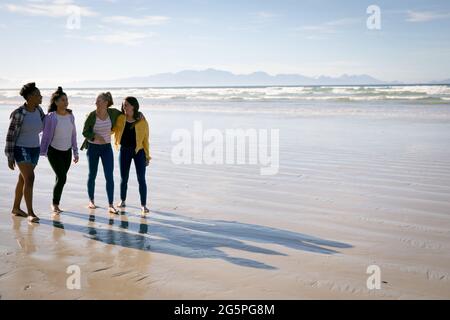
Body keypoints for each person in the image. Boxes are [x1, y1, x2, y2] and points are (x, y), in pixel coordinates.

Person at [5, 82, 45, 223]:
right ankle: (30, 213)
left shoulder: (39, 110)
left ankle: (16, 208)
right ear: (30, 97)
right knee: (30, 178)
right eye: (38, 94)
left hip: (35, 148)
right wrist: (10, 157)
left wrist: (61, 113)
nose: (41, 96)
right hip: (21, 149)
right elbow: (10, 136)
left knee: (23, 179)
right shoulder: (19, 113)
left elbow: (45, 123)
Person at [40, 87, 79, 213]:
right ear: (56, 102)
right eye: (63, 100)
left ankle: (55, 203)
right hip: (54, 152)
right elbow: (45, 135)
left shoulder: (70, 116)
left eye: (66, 100)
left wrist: (75, 152)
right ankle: (55, 204)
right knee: (62, 178)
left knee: (60, 178)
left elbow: (73, 135)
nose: (66, 102)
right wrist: (42, 151)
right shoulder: (51, 117)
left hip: (66, 152)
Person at [113, 97, 151, 214]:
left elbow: (145, 140)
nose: (124, 107)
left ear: (133, 106)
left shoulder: (142, 121)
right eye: (124, 105)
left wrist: (147, 156)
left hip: (139, 151)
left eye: (127, 105)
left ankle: (143, 205)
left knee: (141, 179)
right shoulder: (120, 119)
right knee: (124, 178)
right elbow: (111, 127)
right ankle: (123, 200)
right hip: (124, 151)